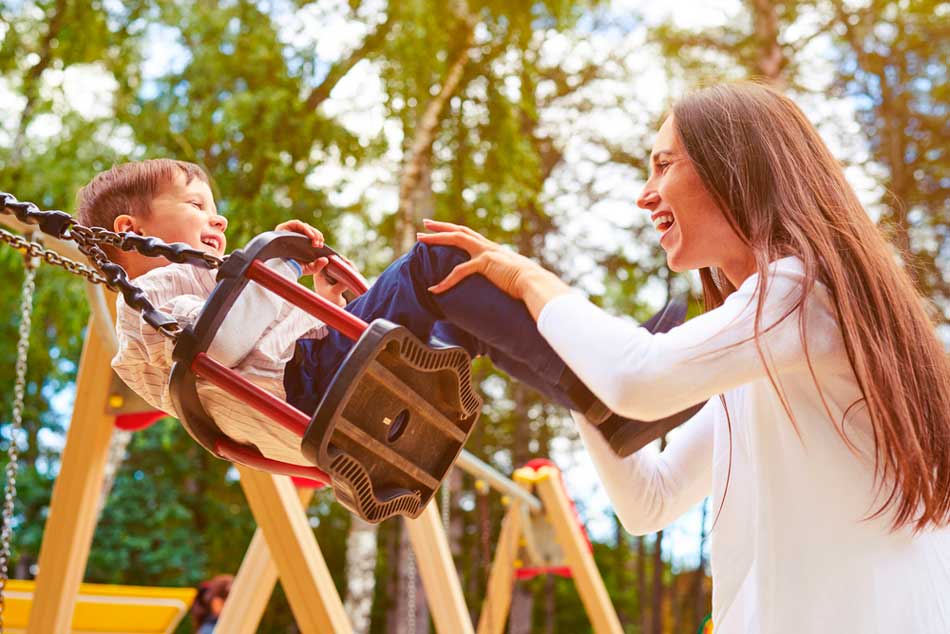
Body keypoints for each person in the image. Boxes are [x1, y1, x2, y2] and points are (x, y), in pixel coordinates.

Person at [417, 82, 950, 633]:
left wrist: (531, 279)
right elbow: (651, 498)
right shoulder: (768, 357)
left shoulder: (802, 293)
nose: (646, 194)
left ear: (735, 168)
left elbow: (636, 378)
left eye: (663, 165)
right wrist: (568, 369)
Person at [76, 159, 683, 467]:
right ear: (132, 230)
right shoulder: (151, 295)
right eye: (196, 204)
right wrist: (277, 266)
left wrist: (332, 300)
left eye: (215, 208)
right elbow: (221, 346)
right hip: (312, 387)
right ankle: (608, 380)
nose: (219, 219)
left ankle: (604, 397)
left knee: (465, 308)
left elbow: (263, 341)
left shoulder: (205, 283)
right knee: (438, 261)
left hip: (316, 381)